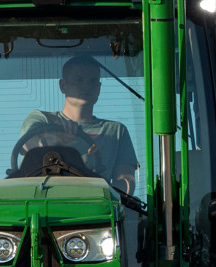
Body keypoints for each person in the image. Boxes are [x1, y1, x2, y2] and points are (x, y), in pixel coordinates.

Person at [14, 57, 141, 189]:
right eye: (79, 80)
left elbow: (126, 182)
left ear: (98, 88)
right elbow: (29, 143)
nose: (86, 86)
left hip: (97, 206)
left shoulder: (116, 132)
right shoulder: (41, 120)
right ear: (63, 85)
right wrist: (55, 140)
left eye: (92, 81)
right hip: (41, 203)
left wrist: (96, 193)